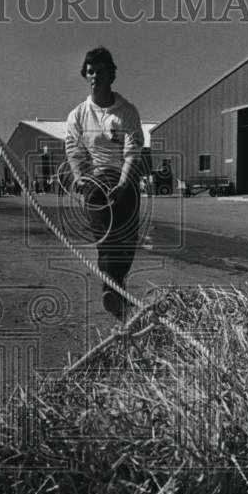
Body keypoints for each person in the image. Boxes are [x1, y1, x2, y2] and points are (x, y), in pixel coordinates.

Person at [65, 46, 150, 318]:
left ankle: (117, 284)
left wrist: (124, 183)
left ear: (111, 75)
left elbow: (133, 149)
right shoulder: (78, 115)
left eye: (100, 71)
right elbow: (74, 149)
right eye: (90, 72)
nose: (95, 77)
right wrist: (79, 177)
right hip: (96, 181)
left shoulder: (127, 112)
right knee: (106, 239)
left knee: (126, 241)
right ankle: (110, 291)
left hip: (125, 180)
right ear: (85, 76)